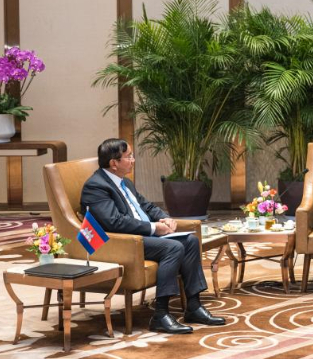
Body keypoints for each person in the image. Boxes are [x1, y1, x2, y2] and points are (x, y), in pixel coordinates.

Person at [80, 138, 225, 334]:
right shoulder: (96, 187)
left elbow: (146, 206)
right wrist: (153, 228)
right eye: (129, 157)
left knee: (190, 241)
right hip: (123, 242)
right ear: (114, 163)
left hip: (141, 236)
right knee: (173, 248)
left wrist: (165, 218)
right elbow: (114, 222)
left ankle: (193, 306)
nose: (133, 160)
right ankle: (160, 315)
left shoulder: (125, 182)